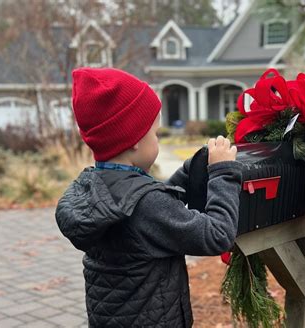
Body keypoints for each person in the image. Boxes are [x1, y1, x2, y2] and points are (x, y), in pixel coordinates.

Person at [55, 67, 243, 327]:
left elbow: (151, 207)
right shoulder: (147, 205)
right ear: (133, 140)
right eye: (154, 133)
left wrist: (189, 171)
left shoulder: (95, 186)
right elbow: (217, 235)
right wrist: (224, 171)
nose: (157, 139)